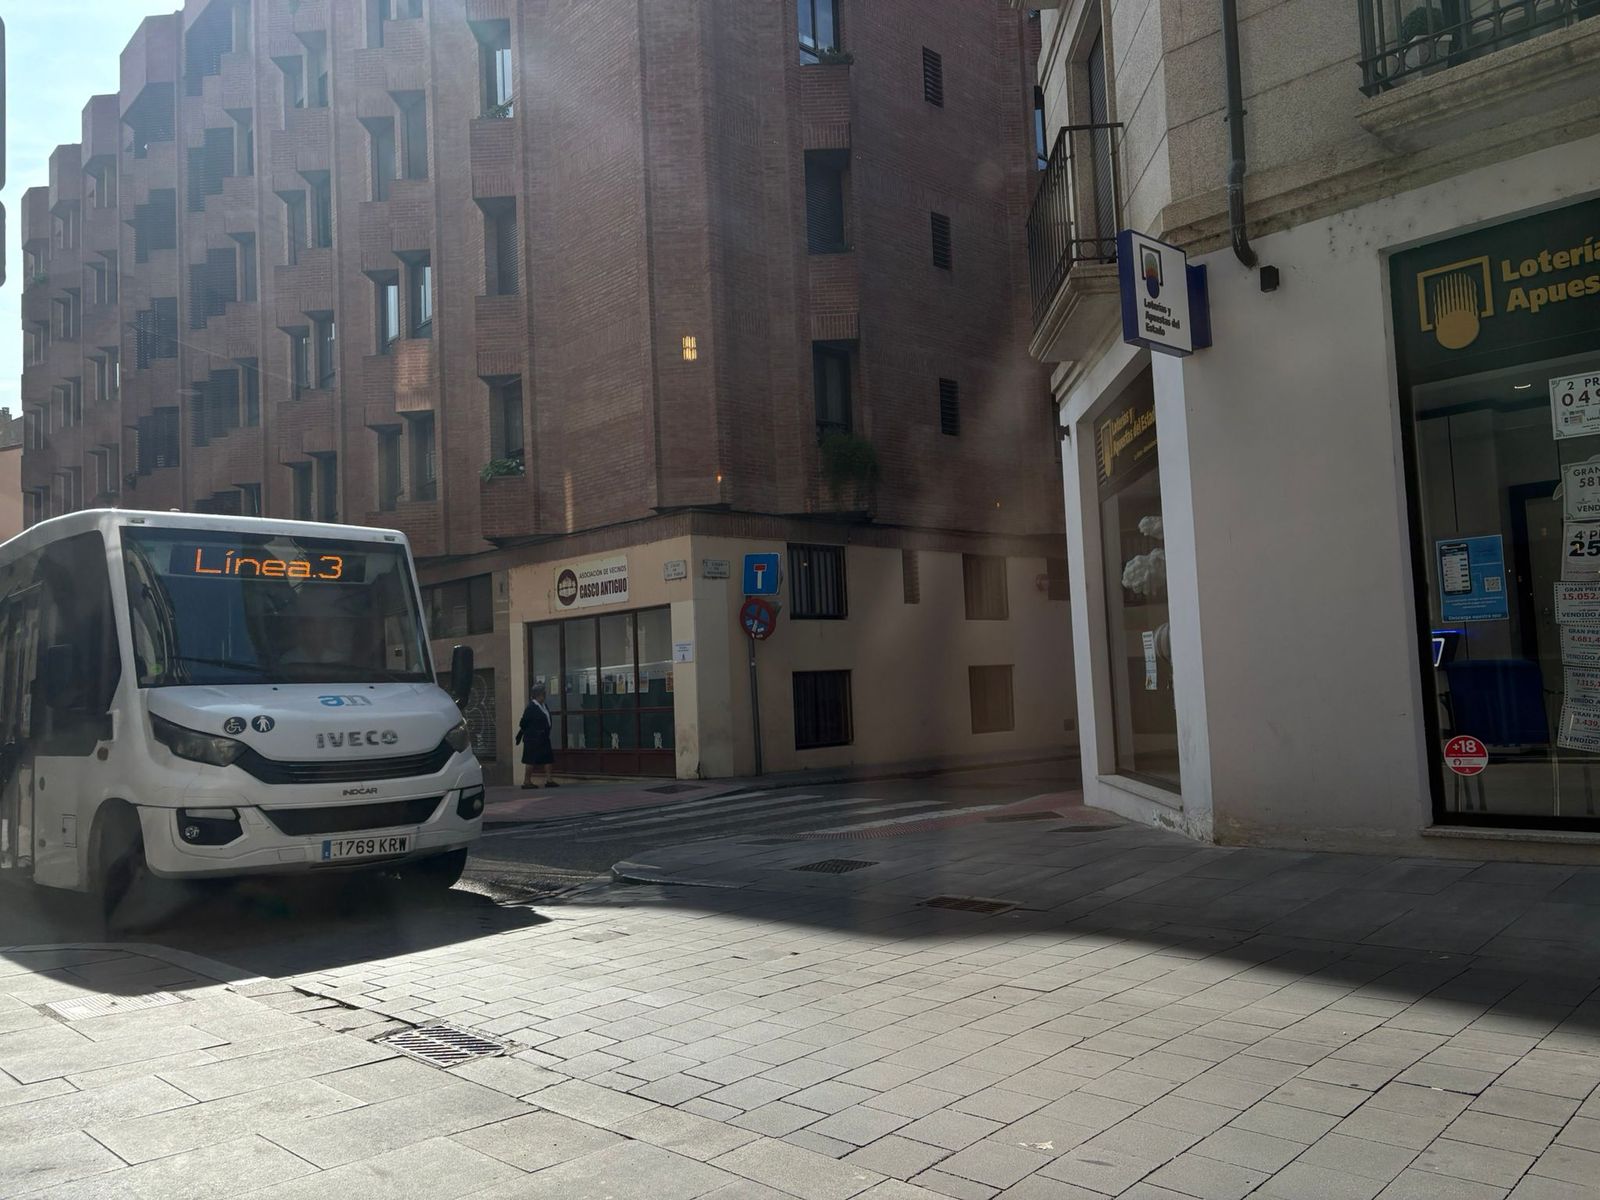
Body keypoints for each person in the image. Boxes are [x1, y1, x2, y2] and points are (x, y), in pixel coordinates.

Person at [516, 684, 557, 789]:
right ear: (538, 695)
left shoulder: (544, 706)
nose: (545, 696)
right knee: (530, 759)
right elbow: (523, 723)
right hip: (532, 738)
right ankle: (527, 781)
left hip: (544, 737)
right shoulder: (531, 707)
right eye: (543, 694)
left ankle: (549, 780)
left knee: (548, 758)